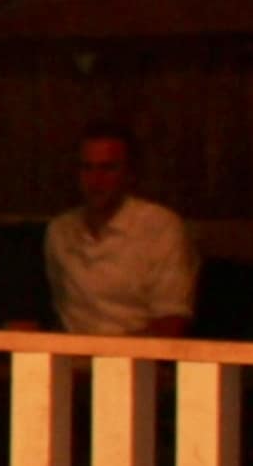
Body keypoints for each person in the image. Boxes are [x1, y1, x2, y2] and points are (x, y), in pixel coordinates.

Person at [44, 120, 197, 338]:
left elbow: (171, 324)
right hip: (72, 364)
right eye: (87, 168)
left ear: (130, 174)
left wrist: (108, 356)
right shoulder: (60, 231)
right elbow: (60, 313)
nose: (96, 180)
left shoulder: (160, 227)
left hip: (139, 364)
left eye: (108, 168)